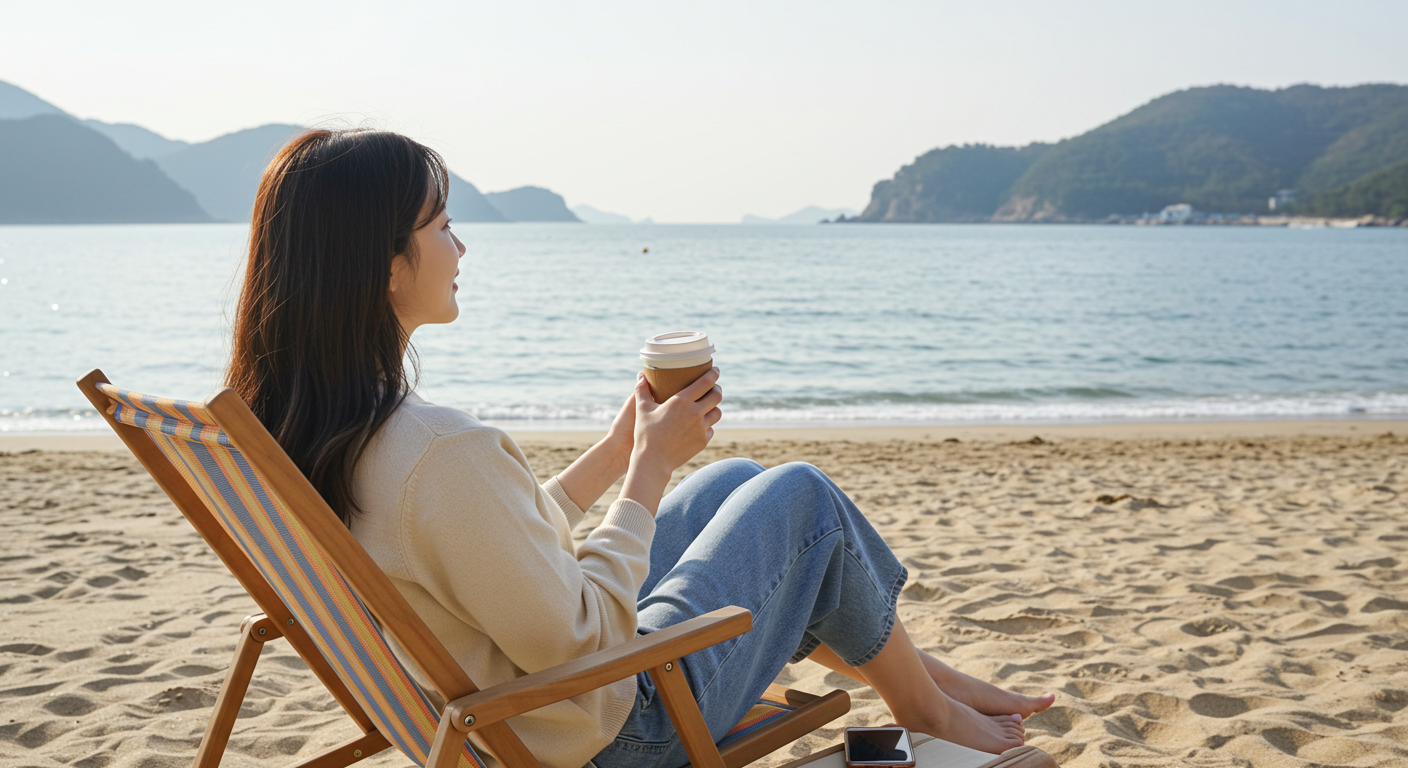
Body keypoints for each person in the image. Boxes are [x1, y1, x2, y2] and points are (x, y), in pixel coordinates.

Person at [226, 128, 1052, 768]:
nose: (461, 246)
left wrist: (620, 453)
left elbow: (480, 554)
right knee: (802, 502)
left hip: (505, 712)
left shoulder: (325, 432)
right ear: (385, 269)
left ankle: (928, 678)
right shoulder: (441, 450)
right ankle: (931, 712)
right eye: (441, 225)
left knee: (732, 479)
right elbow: (583, 644)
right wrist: (651, 472)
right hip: (612, 731)